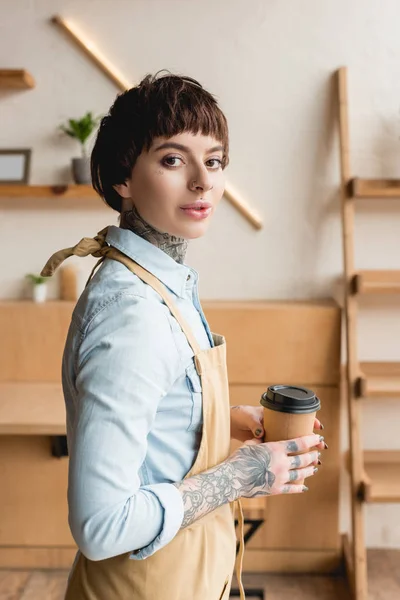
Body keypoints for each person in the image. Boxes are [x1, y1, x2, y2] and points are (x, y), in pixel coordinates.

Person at [41, 71, 326, 600]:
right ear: (122, 177)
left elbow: (154, 419)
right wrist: (239, 478)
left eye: (213, 161)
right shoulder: (132, 312)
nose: (203, 182)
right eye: (174, 160)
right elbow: (100, 526)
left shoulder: (161, 281)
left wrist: (221, 422)